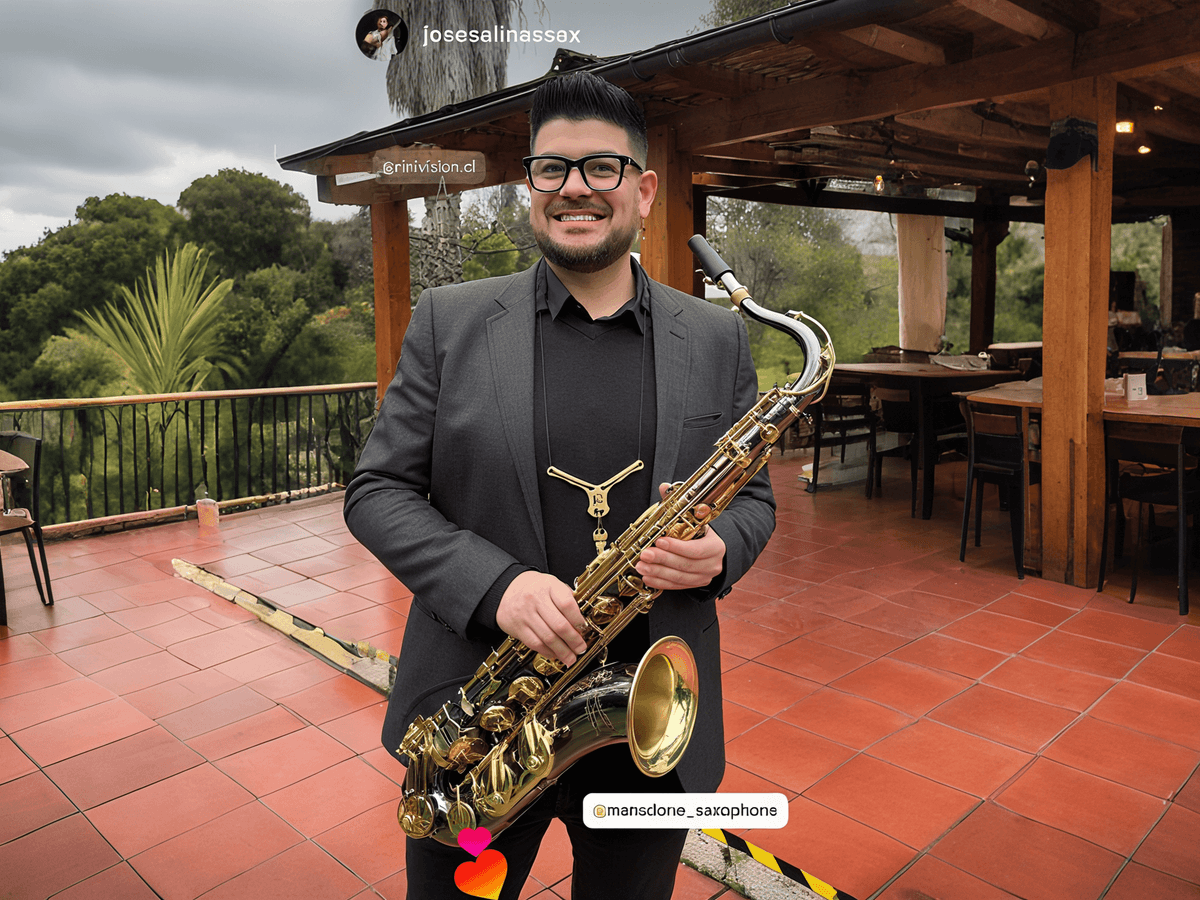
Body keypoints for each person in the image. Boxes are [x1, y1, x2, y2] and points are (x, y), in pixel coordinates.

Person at [344, 71, 775, 900]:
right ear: (530, 188)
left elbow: (753, 498)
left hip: (648, 734)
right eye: (553, 168)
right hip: (480, 735)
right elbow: (377, 491)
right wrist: (496, 587)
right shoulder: (448, 321)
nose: (575, 187)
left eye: (602, 167)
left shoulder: (717, 338)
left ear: (643, 191)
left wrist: (722, 550)